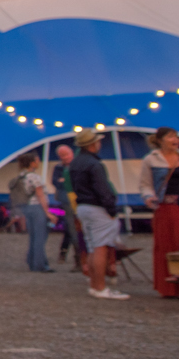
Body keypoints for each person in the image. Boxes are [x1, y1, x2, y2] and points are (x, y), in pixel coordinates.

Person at [69, 129, 127, 301]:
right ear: (93, 144)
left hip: (83, 207)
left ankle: (95, 285)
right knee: (101, 247)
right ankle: (100, 287)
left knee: (93, 246)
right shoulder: (95, 164)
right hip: (97, 208)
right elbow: (102, 188)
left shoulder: (75, 163)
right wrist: (111, 209)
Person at [143, 128, 179, 299]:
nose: (175, 139)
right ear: (160, 140)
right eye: (170, 136)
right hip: (164, 206)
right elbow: (145, 183)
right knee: (166, 245)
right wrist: (148, 196)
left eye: (176, 136)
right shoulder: (151, 159)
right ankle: (167, 288)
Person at [9, 152, 52, 273]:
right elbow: (40, 195)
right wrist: (47, 212)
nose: (38, 162)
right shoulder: (34, 177)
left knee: (33, 236)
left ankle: (32, 261)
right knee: (40, 237)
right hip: (37, 207)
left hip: (26, 208)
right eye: (37, 160)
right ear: (32, 163)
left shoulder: (21, 176)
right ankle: (40, 264)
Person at [51, 144, 86, 266]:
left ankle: (75, 255)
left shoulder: (78, 166)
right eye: (62, 156)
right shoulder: (59, 168)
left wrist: (64, 181)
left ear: (72, 153)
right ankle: (78, 258)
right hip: (66, 201)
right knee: (72, 228)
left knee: (73, 228)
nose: (65, 158)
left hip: (80, 200)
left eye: (66, 155)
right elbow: (55, 182)